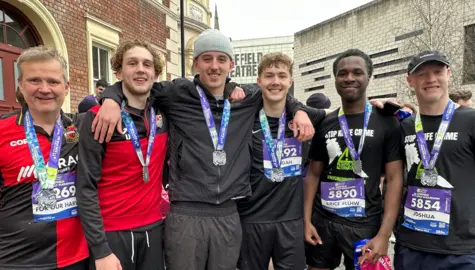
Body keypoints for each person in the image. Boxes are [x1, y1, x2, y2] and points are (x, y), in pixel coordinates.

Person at [92, 29, 314, 270]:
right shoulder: (176, 94)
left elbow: (277, 90)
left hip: (228, 214)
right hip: (186, 213)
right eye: (207, 59)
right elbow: (137, 85)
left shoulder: (247, 98)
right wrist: (111, 98)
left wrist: (299, 109)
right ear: (195, 62)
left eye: (221, 59)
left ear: (231, 64)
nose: (214, 66)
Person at [304, 49, 404, 270]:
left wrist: (384, 234)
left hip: (366, 223)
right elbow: (313, 174)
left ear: (369, 76)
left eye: (357, 72)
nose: (349, 78)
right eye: (343, 73)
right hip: (323, 220)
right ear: (336, 79)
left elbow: (395, 179)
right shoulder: (326, 122)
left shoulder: (387, 122)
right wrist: (306, 220)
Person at [76, 40, 168, 270]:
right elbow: (85, 185)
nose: (140, 69)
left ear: (155, 74)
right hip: (112, 234)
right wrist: (100, 249)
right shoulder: (99, 118)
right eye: (132, 63)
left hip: (155, 229)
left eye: (147, 64)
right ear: (118, 72)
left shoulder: (165, 113)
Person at [0, 46, 89, 269]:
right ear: (20, 84)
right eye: (34, 80)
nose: (45, 89)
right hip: (16, 259)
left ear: (66, 87)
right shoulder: (2, 131)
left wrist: (111, 99)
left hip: (77, 257)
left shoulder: (82, 128)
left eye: (53, 81)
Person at [236, 53, 326, 270]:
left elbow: (346, 115)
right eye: (269, 76)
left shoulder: (308, 117)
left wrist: (382, 106)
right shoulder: (244, 116)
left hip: (290, 222)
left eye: (282, 76)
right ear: (259, 82)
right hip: (251, 220)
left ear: (290, 82)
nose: (275, 81)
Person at [394, 50, 475, 270]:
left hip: (462, 251)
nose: (430, 79)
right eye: (422, 74)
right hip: (411, 247)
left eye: (437, 71)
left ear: (448, 73)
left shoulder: (473, 121)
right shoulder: (404, 127)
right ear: (410, 80)